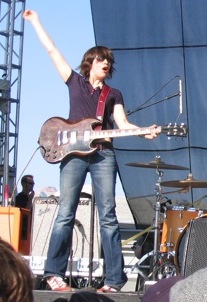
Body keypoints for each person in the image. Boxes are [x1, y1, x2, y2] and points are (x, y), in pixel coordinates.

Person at [22, 9, 159, 293]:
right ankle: (53, 274)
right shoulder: (75, 83)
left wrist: (143, 131)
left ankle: (113, 280)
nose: (106, 63)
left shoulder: (114, 94)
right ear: (90, 63)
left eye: (108, 60)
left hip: (103, 155)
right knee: (65, 213)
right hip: (72, 155)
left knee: (107, 215)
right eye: (101, 59)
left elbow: (121, 123)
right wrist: (35, 22)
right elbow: (52, 51)